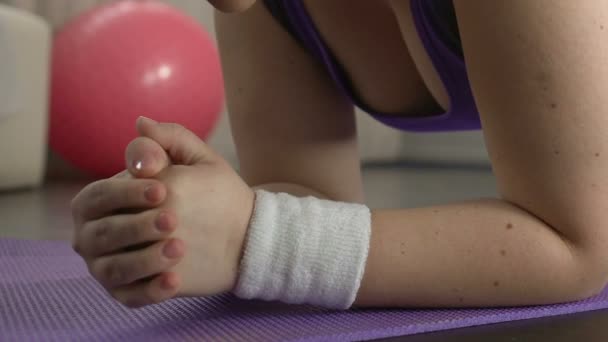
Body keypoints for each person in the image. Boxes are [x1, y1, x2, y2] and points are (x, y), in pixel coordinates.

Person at [70, 0, 608, 309]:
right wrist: (177, 223)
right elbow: (304, 193)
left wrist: (257, 238)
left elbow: (578, 247)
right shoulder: (262, 7)